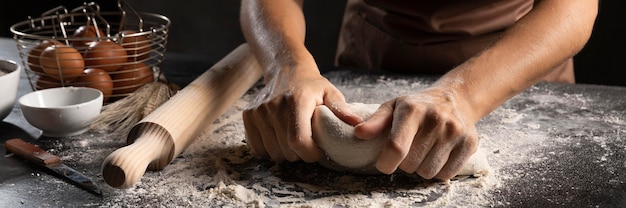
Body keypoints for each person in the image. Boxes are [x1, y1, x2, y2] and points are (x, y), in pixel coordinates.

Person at [239, 0, 598, 180]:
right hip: (373, 55)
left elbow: (574, 7)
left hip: (517, 67)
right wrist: (286, 64)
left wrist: (463, 95)